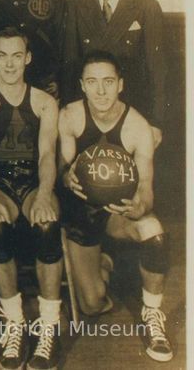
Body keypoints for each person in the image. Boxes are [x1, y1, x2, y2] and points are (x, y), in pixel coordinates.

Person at [59, 51, 173, 363]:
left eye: (108, 82)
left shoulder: (137, 127)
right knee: (93, 303)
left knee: (154, 231)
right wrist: (67, 178)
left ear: (120, 84)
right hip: (80, 213)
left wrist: (139, 206)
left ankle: (153, 315)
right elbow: (60, 173)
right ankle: (107, 263)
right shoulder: (69, 116)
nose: (101, 91)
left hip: (117, 214)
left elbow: (146, 190)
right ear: (82, 85)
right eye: (93, 82)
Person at [0, 27, 63, 370]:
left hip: (34, 180)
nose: (9, 64)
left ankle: (49, 325)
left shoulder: (44, 101)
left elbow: (48, 154)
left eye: (17, 55)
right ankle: (15, 322)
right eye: (2, 55)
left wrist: (45, 195)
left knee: (48, 225)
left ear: (28, 58)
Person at [62, 0, 167, 148]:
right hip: (88, 114)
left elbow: (158, 69)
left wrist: (155, 122)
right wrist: (69, 116)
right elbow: (70, 66)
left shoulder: (147, 7)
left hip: (133, 113)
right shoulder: (75, 6)